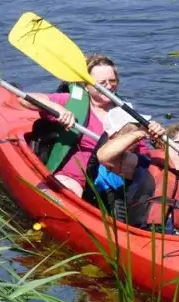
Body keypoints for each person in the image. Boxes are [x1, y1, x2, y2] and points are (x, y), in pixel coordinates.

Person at [18, 55, 119, 197]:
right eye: (101, 83)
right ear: (86, 86)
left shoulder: (124, 111)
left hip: (111, 179)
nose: (109, 86)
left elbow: (141, 153)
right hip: (73, 179)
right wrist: (57, 108)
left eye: (112, 81)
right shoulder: (71, 103)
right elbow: (24, 99)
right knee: (67, 193)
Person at [83, 106, 165, 220]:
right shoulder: (112, 160)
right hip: (114, 216)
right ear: (116, 136)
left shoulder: (137, 155)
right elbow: (107, 156)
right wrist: (140, 133)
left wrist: (158, 138)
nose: (139, 140)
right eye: (136, 128)